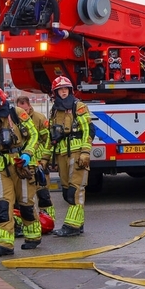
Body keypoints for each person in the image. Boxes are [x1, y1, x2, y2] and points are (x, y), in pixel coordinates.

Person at [0, 84, 40, 256]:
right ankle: (5, 244)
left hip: (22, 164)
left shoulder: (17, 113)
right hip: (1, 166)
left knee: (26, 203)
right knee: (3, 205)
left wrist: (27, 154)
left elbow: (34, 135)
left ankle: (33, 235)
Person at [46, 76, 92, 237]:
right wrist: (44, 159)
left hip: (77, 153)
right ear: (55, 92)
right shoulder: (54, 110)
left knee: (75, 190)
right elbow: (50, 137)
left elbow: (88, 130)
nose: (63, 92)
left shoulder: (78, 107)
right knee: (66, 192)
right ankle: (78, 224)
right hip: (61, 154)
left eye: (66, 89)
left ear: (70, 90)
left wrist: (85, 152)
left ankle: (72, 226)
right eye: (60, 89)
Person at [15, 95, 54, 219]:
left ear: (29, 106)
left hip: (38, 162)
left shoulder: (39, 118)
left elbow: (47, 139)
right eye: (20, 110)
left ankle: (49, 219)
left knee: (43, 195)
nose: (23, 113)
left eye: (25, 110)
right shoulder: (14, 118)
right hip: (23, 163)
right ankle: (26, 221)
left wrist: (45, 159)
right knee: (24, 195)